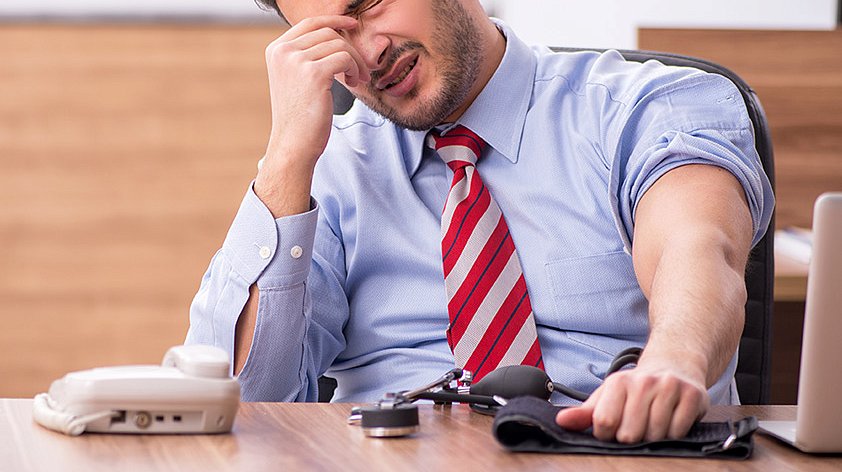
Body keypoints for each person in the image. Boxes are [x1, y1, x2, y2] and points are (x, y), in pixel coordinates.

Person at [186, 0, 774, 444]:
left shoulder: (650, 107)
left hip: (610, 451)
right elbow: (240, 402)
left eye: (367, 5)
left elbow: (699, 247)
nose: (367, 55)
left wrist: (673, 361)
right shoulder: (330, 170)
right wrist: (286, 160)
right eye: (329, 37)